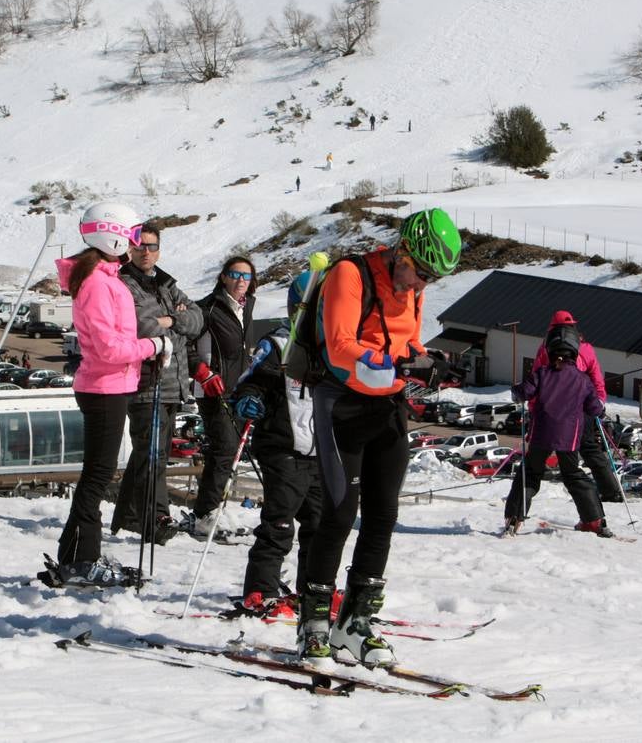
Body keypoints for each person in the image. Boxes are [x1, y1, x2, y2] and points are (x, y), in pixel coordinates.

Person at [296, 208, 462, 666]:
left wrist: (431, 360)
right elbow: (340, 345)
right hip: (342, 402)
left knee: (383, 514)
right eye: (419, 273)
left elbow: (408, 341)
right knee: (339, 511)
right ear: (401, 252)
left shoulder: (413, 289)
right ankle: (313, 623)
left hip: (387, 406)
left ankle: (355, 624)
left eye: (430, 279)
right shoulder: (350, 275)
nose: (419, 286)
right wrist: (399, 366)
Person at [47, 202, 171, 587]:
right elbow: (109, 349)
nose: (136, 245)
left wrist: (150, 348)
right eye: (133, 236)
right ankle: (82, 559)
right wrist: (155, 346)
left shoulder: (103, 278)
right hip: (104, 388)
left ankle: (76, 555)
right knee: (97, 476)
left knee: (97, 475)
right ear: (113, 236)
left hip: (111, 386)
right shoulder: (99, 284)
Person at [230, 271, 322, 617]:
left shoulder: (334, 347)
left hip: (318, 451)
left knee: (320, 525)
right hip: (282, 446)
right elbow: (251, 380)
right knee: (280, 523)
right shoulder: (279, 343)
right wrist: (249, 398)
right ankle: (260, 591)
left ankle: (314, 589)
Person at [112, 223, 204, 545]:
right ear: (130, 249)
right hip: (145, 386)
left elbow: (197, 319)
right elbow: (140, 325)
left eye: (151, 246)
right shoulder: (123, 284)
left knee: (148, 455)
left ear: (159, 249)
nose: (146, 252)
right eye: (140, 246)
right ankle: (157, 519)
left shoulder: (165, 283)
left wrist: (172, 320)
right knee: (153, 456)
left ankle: (129, 516)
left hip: (172, 386)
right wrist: (169, 320)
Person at [504, 322, 609, 537]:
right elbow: (594, 408)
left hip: (541, 435)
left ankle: (514, 518)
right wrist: (601, 411)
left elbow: (523, 392)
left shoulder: (542, 374)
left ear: (549, 350)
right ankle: (594, 521)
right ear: (574, 351)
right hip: (568, 438)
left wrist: (516, 390)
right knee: (573, 475)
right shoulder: (582, 380)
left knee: (530, 473)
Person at [185, 256, 257, 538]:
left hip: (240, 388)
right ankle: (206, 513)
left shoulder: (248, 307)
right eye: (234, 274)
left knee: (232, 449)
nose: (241, 281)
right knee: (224, 447)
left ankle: (212, 507)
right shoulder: (208, 308)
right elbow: (185, 345)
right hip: (213, 389)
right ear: (223, 277)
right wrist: (202, 371)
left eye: (246, 276)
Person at [530, 310, 623, 505]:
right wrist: (598, 403)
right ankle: (610, 492)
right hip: (583, 406)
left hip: (553, 409)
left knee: (542, 453)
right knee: (589, 448)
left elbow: (536, 380)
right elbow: (597, 379)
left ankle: (525, 493)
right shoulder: (586, 348)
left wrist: (533, 408)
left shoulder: (546, 350)